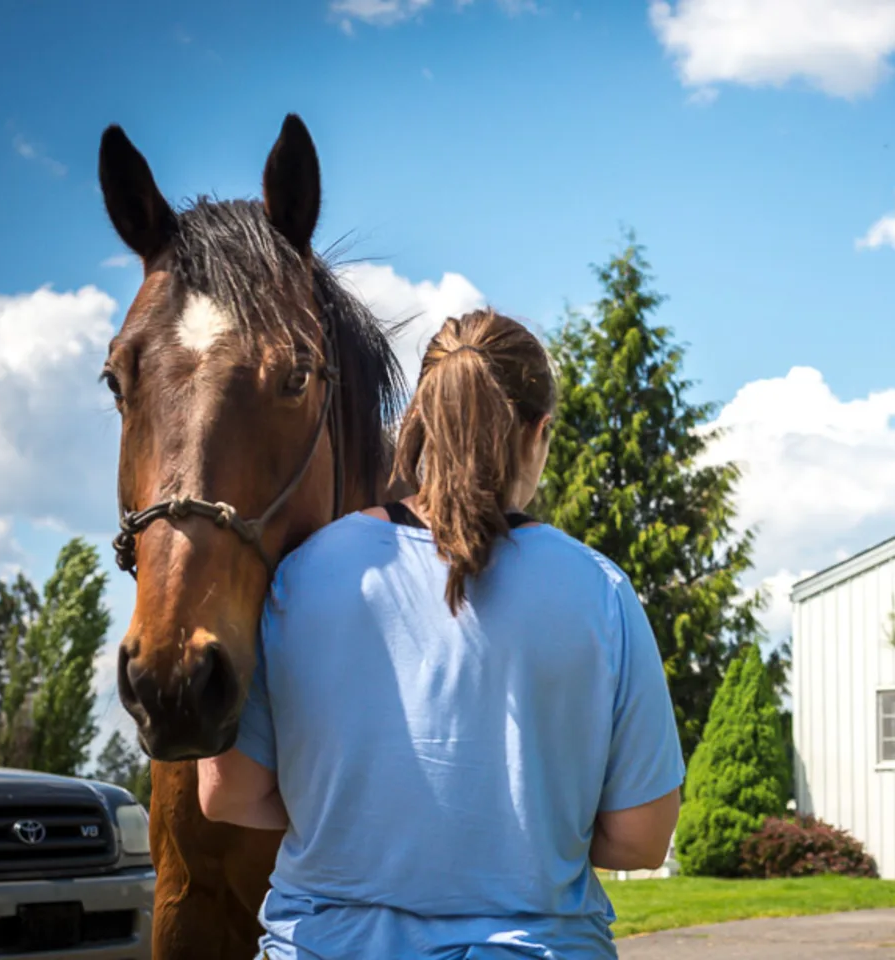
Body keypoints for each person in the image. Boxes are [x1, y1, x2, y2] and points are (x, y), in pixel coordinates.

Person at [197, 309, 685, 960]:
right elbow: (642, 839)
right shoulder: (601, 591)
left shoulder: (303, 576)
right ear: (539, 433)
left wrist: (348, 817)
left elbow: (224, 793)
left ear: (420, 421)